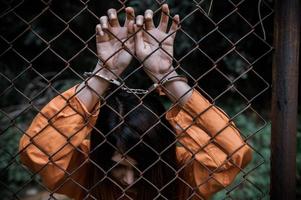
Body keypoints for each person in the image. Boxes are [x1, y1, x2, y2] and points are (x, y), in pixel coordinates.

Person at [19, 4, 252, 200]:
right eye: (117, 166)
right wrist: (104, 73)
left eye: (143, 167)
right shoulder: (86, 171)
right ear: (100, 155)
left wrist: (166, 76)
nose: (128, 181)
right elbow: (38, 152)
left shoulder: (181, 173)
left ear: (162, 149)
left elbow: (233, 154)